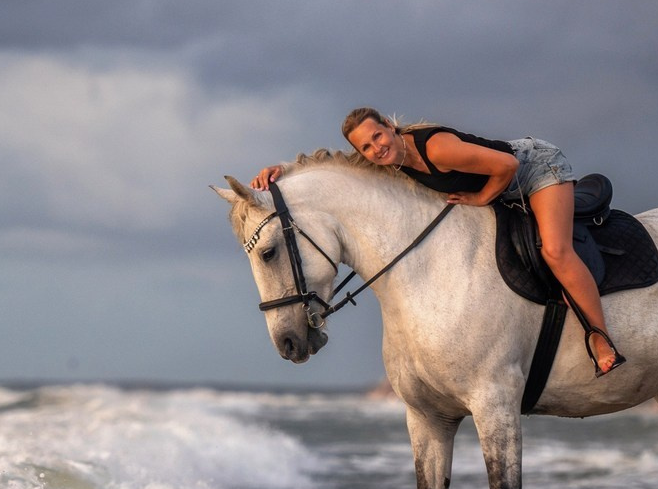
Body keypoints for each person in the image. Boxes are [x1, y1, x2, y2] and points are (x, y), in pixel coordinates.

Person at [251, 107, 625, 376]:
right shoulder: (388, 159)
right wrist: (284, 169)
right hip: (503, 180)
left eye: (378, 136)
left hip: (534, 169)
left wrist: (481, 198)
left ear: (390, 127)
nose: (376, 148)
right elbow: (335, 162)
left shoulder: (436, 149)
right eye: (366, 147)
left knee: (556, 251)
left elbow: (507, 166)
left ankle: (600, 337)